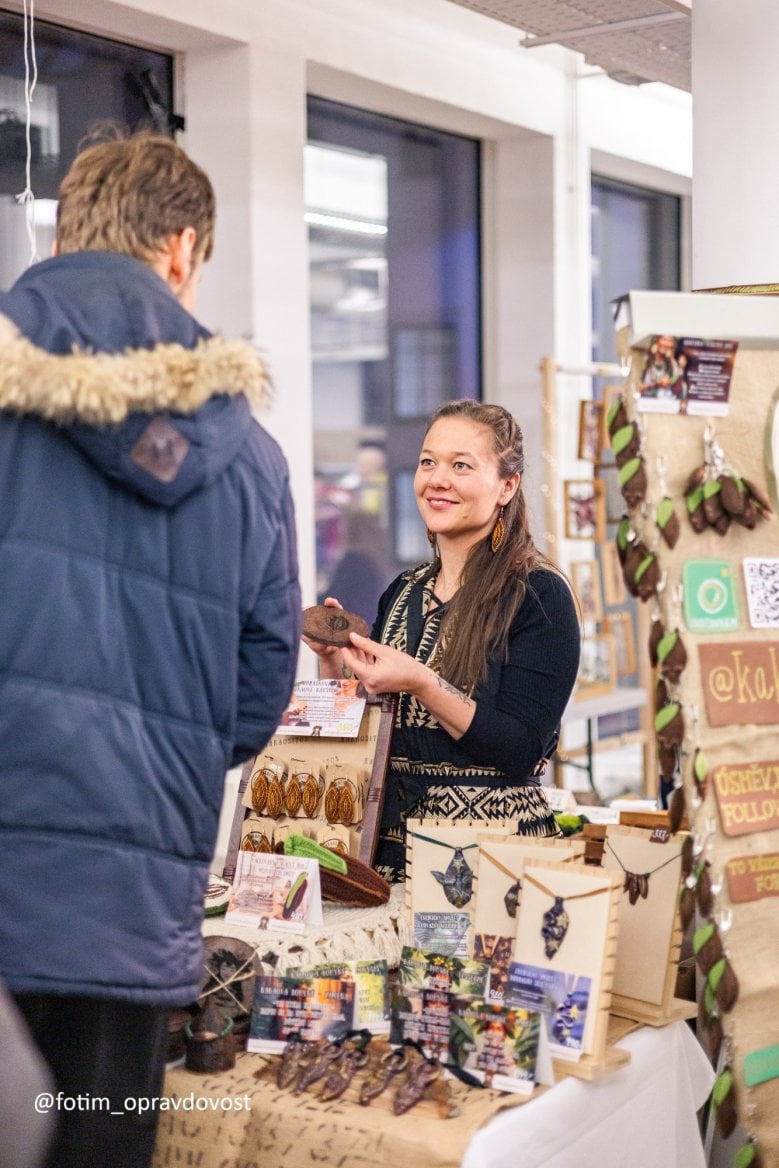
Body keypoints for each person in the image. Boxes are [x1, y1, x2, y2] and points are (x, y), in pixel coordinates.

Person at [0, 130, 301, 1168]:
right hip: (129, 910)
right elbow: (258, 693)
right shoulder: (252, 460)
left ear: (65, 232)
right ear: (180, 250)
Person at [305, 400, 580, 881]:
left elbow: (520, 748)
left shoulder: (539, 594)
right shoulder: (403, 591)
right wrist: (333, 666)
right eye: (428, 461)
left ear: (507, 486)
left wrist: (423, 684)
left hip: (491, 866)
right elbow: (368, 734)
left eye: (461, 466)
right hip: (384, 859)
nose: (437, 479)